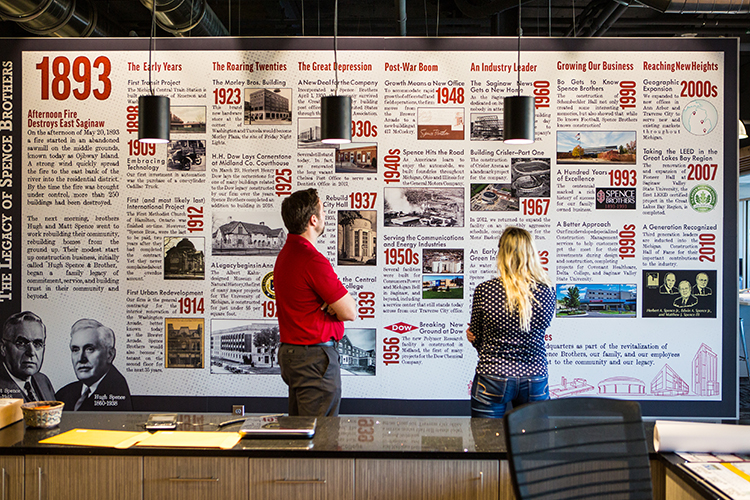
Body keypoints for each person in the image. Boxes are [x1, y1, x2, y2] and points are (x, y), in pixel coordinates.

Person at [274, 188, 356, 416]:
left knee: (301, 434)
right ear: (313, 219)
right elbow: (350, 311)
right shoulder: (311, 259)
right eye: (323, 210)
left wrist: (331, 304)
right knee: (321, 439)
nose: (325, 215)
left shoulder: (286, 255)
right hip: (314, 360)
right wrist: (334, 306)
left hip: (296, 355)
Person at [466, 226, 555, 418]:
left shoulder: (485, 290)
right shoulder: (547, 291)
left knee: (485, 444)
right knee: (533, 445)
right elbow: (539, 330)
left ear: (502, 253)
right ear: (532, 252)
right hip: (535, 375)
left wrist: (473, 337)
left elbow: (478, 340)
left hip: (492, 374)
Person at [55, 319, 133, 411]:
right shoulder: (63, 394)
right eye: (75, 350)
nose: (81, 359)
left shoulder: (119, 394)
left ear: (110, 355)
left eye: (89, 349)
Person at [0, 311, 55, 402]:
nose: (31, 352)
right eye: (21, 343)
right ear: (3, 348)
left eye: (37, 344)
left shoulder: (43, 380)